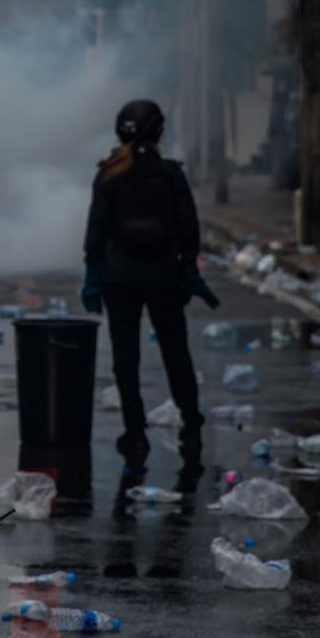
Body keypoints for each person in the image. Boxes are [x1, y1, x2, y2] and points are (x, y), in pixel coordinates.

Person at [80, 99, 210, 485]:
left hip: (120, 279)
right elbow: (189, 228)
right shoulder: (170, 174)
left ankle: (135, 434)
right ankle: (191, 423)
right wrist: (187, 268)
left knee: (126, 357)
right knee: (176, 351)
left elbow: (96, 231)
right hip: (163, 277)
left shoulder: (109, 174)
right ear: (158, 132)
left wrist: (92, 275)